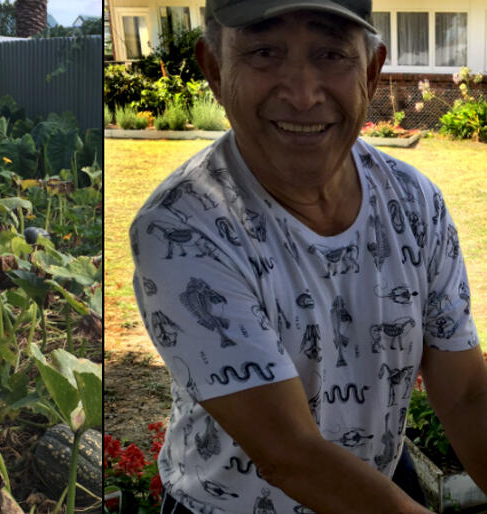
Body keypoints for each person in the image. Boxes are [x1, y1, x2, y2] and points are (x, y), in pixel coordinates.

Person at [129, 0, 487, 512]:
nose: (301, 93)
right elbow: (289, 453)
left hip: (375, 479)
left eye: (330, 54)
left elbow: (468, 395)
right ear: (213, 68)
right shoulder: (181, 226)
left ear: (371, 70)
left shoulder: (414, 201)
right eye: (264, 51)